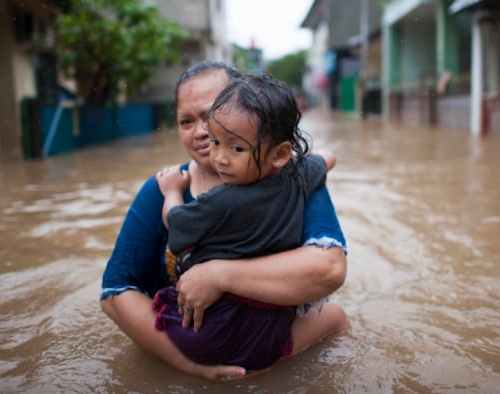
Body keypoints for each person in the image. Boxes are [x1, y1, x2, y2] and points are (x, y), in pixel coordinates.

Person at [99, 61, 348, 380]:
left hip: (262, 344)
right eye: (186, 121)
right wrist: (187, 364)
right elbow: (116, 291)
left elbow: (328, 269)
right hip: (193, 350)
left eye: (213, 113)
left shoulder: (292, 179)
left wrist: (219, 276)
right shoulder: (162, 187)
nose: (202, 130)